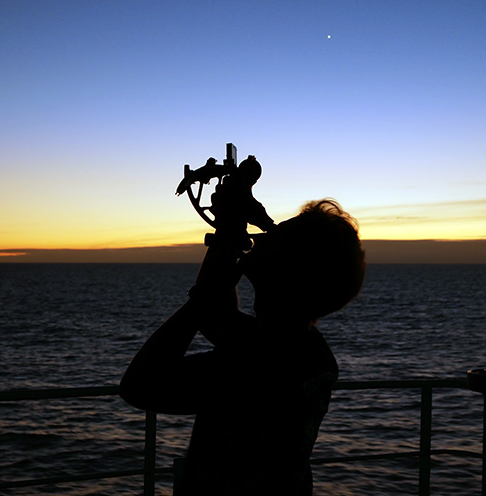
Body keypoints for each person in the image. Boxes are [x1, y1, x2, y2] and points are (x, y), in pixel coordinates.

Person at [119, 199, 366, 495]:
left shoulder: (260, 363)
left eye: (275, 235)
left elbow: (140, 385)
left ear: (286, 268)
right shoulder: (307, 349)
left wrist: (203, 296)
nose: (262, 235)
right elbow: (219, 319)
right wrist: (227, 232)